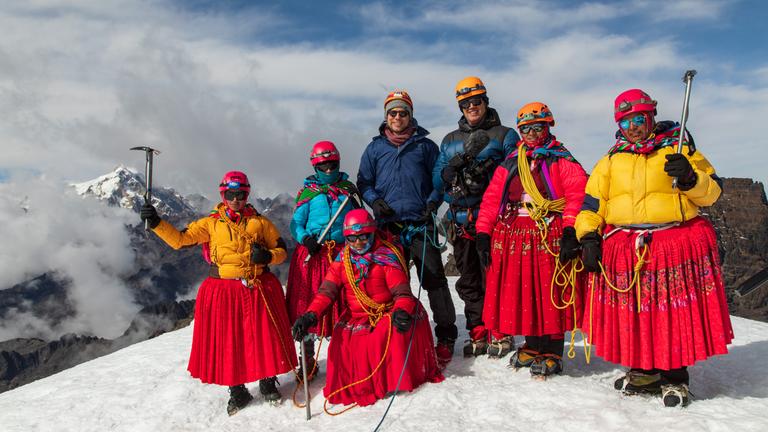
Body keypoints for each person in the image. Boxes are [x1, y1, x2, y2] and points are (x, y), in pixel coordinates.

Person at [575, 89, 733, 406]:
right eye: (625, 122)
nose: (633, 127)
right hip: (626, 246)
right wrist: (588, 236)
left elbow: (712, 192)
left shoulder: (679, 149)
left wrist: (690, 178)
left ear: (650, 117)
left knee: (671, 312)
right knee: (635, 313)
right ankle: (644, 371)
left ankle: (675, 377)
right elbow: (592, 205)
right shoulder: (609, 161)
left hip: (671, 243)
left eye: (638, 119)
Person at [139, 171, 297, 415]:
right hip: (224, 288)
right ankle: (237, 390)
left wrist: (268, 257)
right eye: (231, 194)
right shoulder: (210, 224)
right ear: (223, 194)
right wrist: (158, 223)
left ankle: (267, 382)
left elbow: (281, 250)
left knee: (264, 334)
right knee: (230, 340)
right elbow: (181, 239)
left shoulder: (260, 222)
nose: (236, 199)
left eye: (241, 194)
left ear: (247, 194)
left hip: (258, 284)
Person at [475, 102, 587, 378]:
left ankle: (552, 349)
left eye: (537, 127)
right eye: (526, 128)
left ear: (548, 126)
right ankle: (533, 344)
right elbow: (491, 199)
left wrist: (571, 230)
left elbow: (576, 195)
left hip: (548, 232)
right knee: (524, 290)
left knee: (549, 290)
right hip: (514, 233)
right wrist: (483, 232)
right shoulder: (512, 161)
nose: (532, 133)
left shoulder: (562, 159)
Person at [291, 209, 444, 407]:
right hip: (358, 315)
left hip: (389, 310)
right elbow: (326, 292)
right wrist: (311, 315)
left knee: (383, 336)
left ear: (372, 233)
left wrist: (402, 311)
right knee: (341, 341)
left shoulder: (387, 256)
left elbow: (402, 292)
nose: (358, 243)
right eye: (352, 238)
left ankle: (391, 380)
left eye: (363, 237)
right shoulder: (342, 261)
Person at [357, 90, 458, 368]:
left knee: (434, 281)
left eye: (403, 112)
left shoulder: (425, 147)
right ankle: (394, 334)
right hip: (388, 229)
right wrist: (375, 202)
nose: (398, 117)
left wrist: (432, 203)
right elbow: (364, 182)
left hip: (420, 225)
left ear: (410, 115)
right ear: (386, 116)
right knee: (390, 286)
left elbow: (439, 182)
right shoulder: (375, 149)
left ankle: (446, 336)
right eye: (393, 113)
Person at [433, 76, 519, 358]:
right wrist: (447, 174)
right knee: (469, 279)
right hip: (460, 220)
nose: (472, 106)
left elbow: (517, 173)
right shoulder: (449, 141)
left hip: (495, 218)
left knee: (496, 275)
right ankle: (478, 330)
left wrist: (489, 177)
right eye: (466, 103)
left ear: (485, 101)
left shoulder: (505, 135)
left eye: (476, 101)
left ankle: (502, 331)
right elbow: (437, 179)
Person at [285, 141, 360, 380]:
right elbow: (295, 223)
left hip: (341, 253)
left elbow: (357, 217)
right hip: (313, 255)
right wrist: (305, 238)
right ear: (316, 165)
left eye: (332, 164)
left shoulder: (348, 190)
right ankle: (306, 358)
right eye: (323, 165)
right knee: (307, 304)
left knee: (343, 306)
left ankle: (346, 356)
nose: (329, 169)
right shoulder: (308, 194)